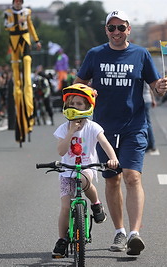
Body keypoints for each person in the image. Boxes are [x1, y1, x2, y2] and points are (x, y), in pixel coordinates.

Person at [74, 10, 167, 256]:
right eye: (112, 28)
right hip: (104, 130)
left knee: (132, 177)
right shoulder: (95, 54)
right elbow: (78, 83)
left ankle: (135, 234)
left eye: (121, 27)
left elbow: (155, 87)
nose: (117, 32)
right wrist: (86, 91)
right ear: (106, 30)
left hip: (134, 126)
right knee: (112, 179)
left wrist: (160, 86)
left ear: (129, 29)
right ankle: (120, 232)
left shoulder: (141, 54)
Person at [52, 83, 119, 258]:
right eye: (72, 103)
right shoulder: (63, 129)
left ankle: (96, 204)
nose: (75, 106)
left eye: (79, 103)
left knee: (83, 179)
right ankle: (61, 239)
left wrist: (113, 158)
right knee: (65, 207)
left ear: (88, 106)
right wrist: (71, 131)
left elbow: (105, 143)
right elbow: (61, 151)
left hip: (86, 168)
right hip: (67, 171)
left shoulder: (93, 127)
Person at [4, 0, 41, 144]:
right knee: (15, 64)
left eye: (20, 2)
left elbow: (30, 26)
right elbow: (6, 26)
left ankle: (26, 75)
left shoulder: (27, 12)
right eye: (16, 1)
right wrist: (15, 23)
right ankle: (18, 79)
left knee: (26, 60)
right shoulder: (8, 13)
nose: (18, 4)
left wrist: (37, 40)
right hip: (13, 39)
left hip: (25, 38)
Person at [143, 83, 156, 152]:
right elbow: (151, 89)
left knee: (145, 123)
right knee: (148, 123)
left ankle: (150, 144)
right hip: (148, 99)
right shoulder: (146, 76)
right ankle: (151, 143)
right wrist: (153, 99)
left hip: (143, 99)